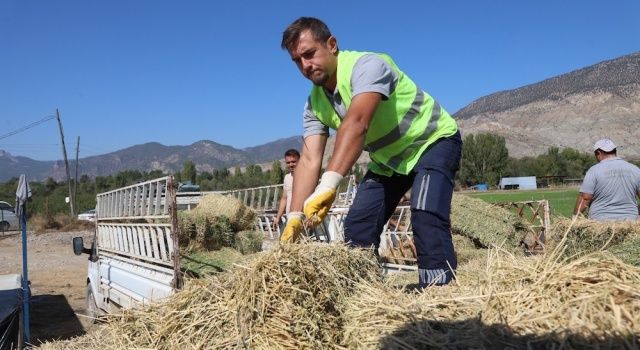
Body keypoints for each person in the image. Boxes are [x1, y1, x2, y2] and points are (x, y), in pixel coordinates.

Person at [280, 17, 462, 287]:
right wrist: (294, 215)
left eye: (309, 54)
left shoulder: (368, 65)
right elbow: (308, 159)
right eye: (297, 60)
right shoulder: (314, 104)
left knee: (424, 214)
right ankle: (363, 295)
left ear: (332, 45)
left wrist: (329, 183)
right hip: (389, 161)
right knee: (358, 226)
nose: (305, 65)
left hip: (432, 143)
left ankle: (438, 296)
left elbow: (357, 123)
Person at [573, 138, 640, 221]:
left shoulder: (594, 171)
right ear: (614, 151)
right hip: (630, 221)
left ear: (598, 153)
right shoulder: (635, 169)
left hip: (600, 221)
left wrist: (574, 218)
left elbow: (585, 198)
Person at [273, 149, 301, 232]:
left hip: (302, 219)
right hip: (290, 218)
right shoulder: (287, 178)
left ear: (300, 161)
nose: (291, 165)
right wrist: (278, 217)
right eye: (288, 162)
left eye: (293, 161)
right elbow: (284, 198)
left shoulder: (306, 177)